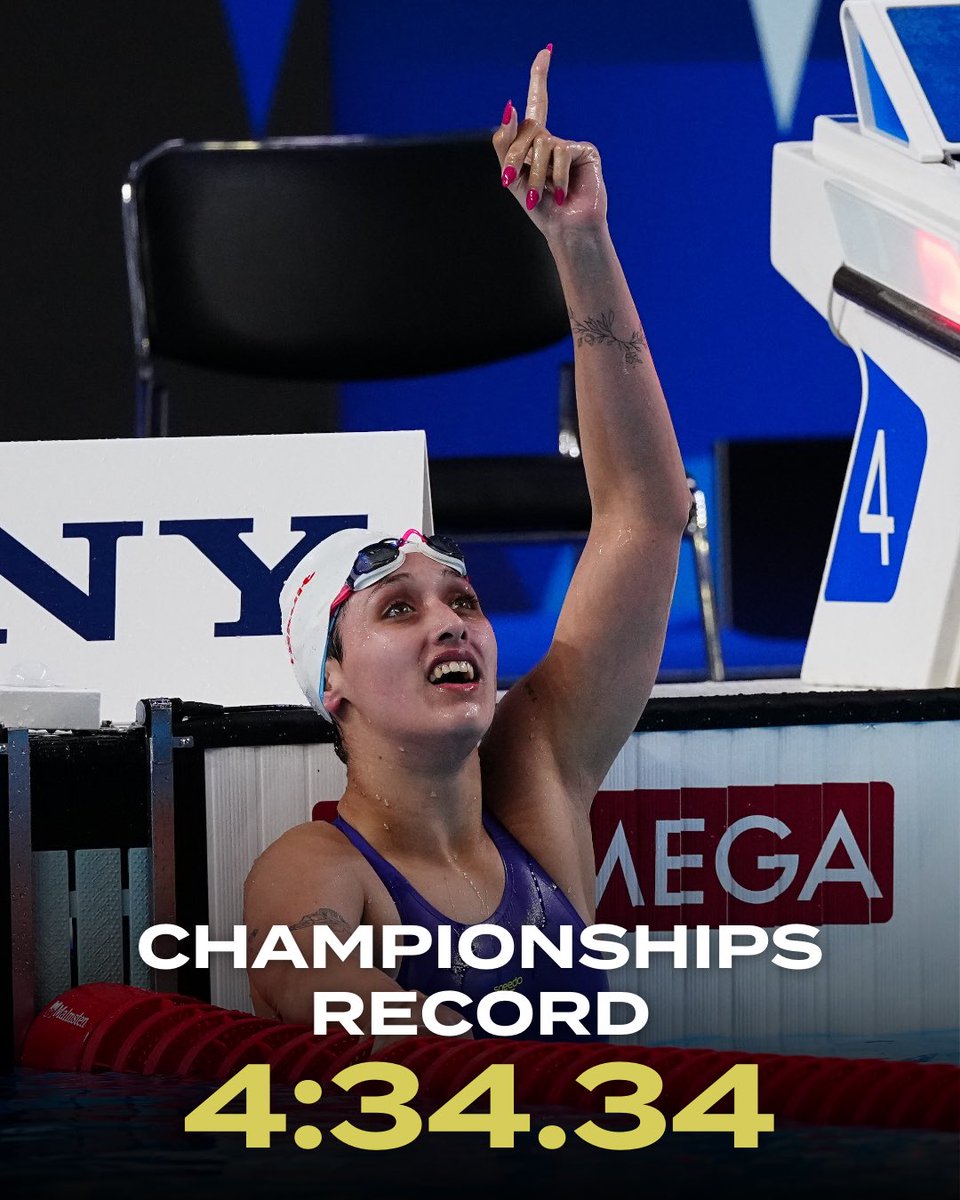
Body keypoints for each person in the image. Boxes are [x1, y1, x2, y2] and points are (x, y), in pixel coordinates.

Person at [244, 46, 691, 1040]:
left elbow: (644, 516)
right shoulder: (311, 872)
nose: (450, 620)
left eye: (464, 600)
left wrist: (580, 241)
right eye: (397, 608)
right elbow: (337, 1001)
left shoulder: (538, 772)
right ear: (333, 683)